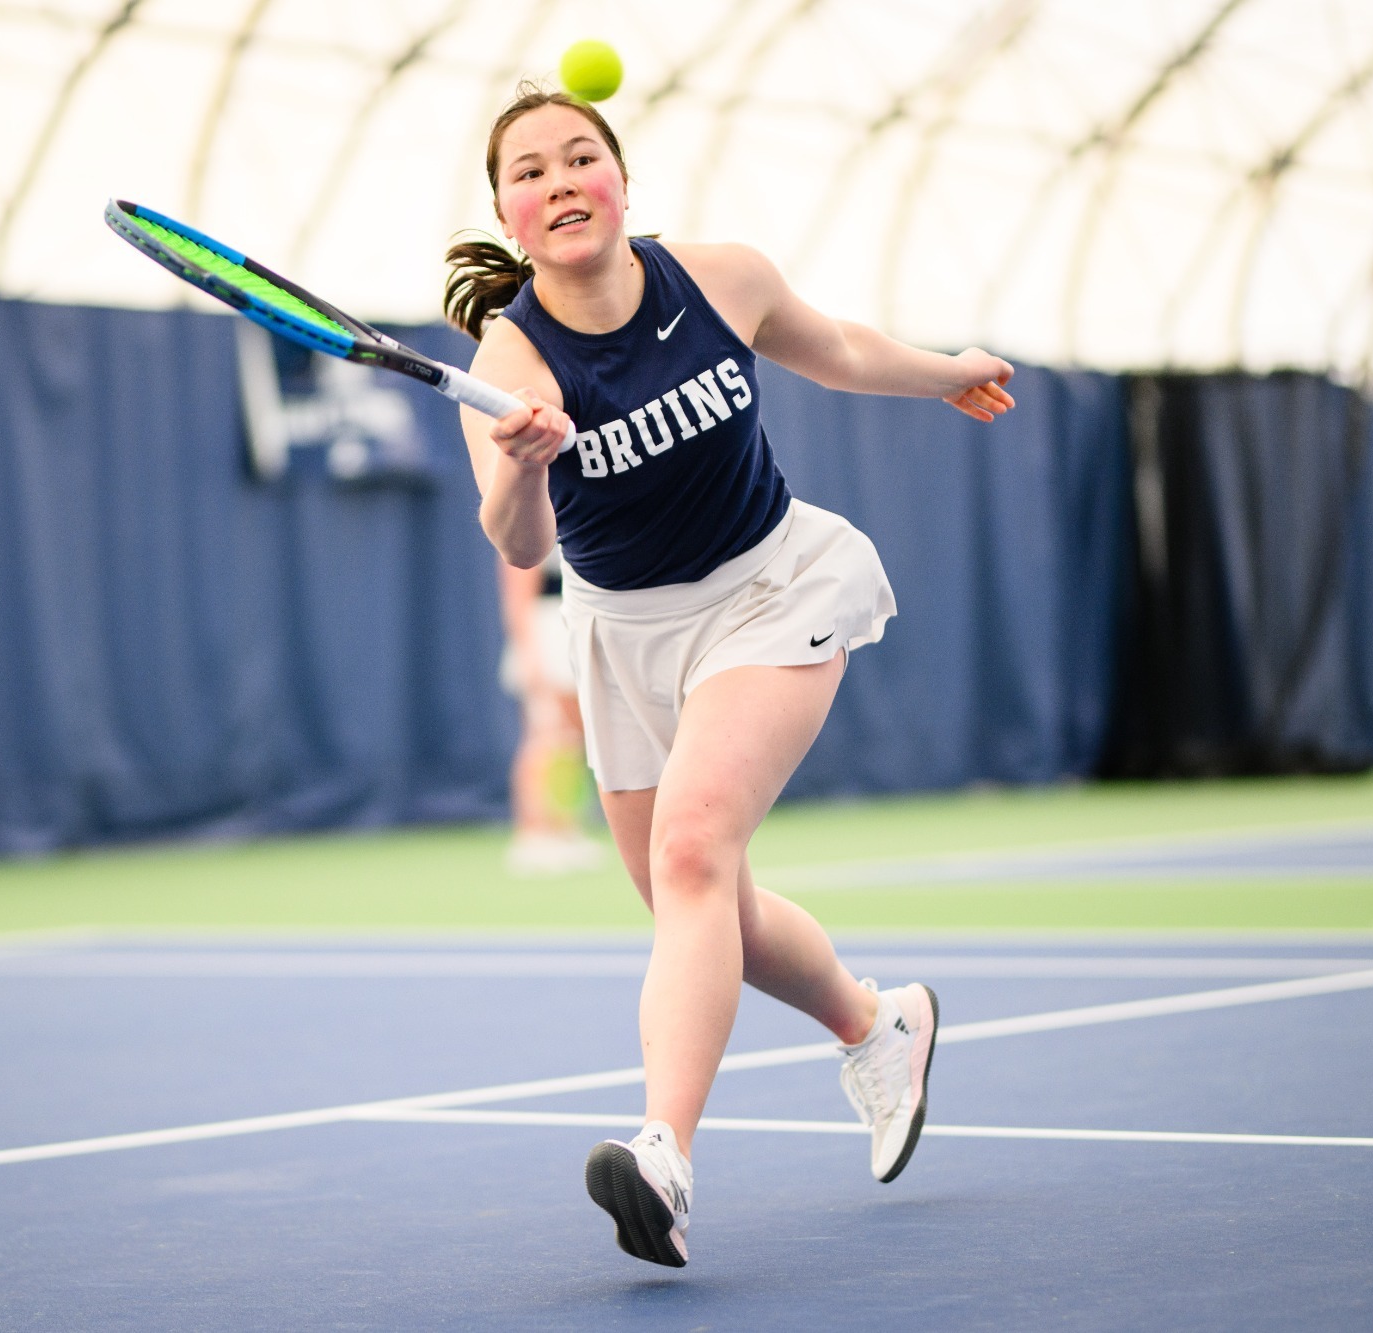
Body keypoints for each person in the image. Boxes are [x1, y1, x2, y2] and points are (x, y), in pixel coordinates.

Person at [444, 83, 1016, 1269]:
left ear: (620, 179)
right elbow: (517, 544)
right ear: (506, 216)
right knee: (703, 910)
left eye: (579, 156)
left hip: (770, 588)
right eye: (528, 172)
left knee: (694, 850)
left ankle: (663, 1154)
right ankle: (876, 1024)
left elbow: (839, 348)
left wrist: (943, 369)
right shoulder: (510, 363)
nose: (559, 181)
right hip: (622, 633)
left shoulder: (720, 278)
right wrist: (523, 466)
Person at [497, 548, 601, 874]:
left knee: (570, 739)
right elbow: (517, 597)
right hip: (544, 636)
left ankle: (564, 829)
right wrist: (530, 654)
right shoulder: (529, 535)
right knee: (544, 736)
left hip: (572, 629)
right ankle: (534, 832)